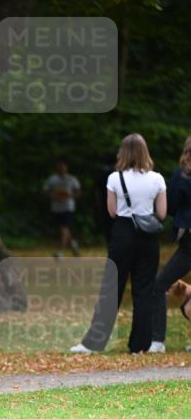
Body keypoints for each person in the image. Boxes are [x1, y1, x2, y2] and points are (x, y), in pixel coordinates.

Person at [70, 133, 166, 355]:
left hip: (123, 234)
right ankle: (139, 345)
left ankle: (93, 343)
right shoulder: (157, 179)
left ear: (122, 153)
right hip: (148, 238)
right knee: (143, 291)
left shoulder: (114, 178)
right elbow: (161, 213)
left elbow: (112, 212)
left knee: (111, 289)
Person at [149, 135, 191, 352]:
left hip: (189, 242)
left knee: (160, 285)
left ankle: (157, 341)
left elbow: (172, 207)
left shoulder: (181, 175)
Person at [43, 159, 82, 258]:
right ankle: (73, 244)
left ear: (66, 168)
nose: (61, 168)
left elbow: (78, 191)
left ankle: (60, 251)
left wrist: (69, 195)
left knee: (63, 228)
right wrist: (53, 196)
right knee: (63, 228)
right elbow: (45, 191)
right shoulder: (52, 179)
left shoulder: (71, 179)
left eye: (63, 166)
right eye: (59, 166)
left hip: (68, 207)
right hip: (56, 207)